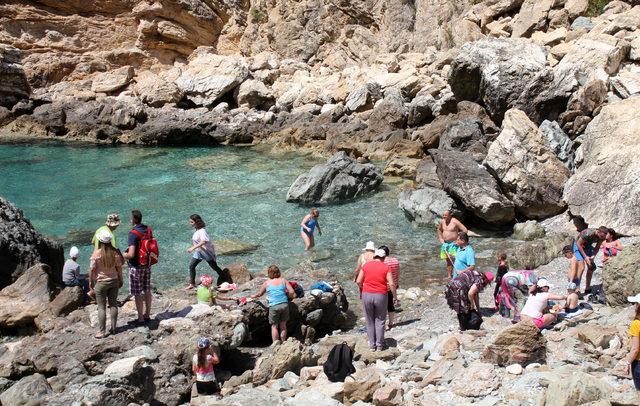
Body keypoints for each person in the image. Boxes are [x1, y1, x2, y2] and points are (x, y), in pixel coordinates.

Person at [356, 249, 397, 351]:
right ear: (383, 258)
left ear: (375, 257)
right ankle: (379, 345)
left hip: (367, 294)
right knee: (380, 320)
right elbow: (391, 284)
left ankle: (372, 345)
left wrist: (364, 287)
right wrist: (395, 296)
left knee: (369, 320)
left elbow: (358, 281)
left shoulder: (365, 266)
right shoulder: (386, 267)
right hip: (381, 295)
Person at [89, 229, 123, 339]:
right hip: (114, 281)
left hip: (101, 283)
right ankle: (113, 328)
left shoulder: (96, 254)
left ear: (100, 241)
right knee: (113, 305)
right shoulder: (115, 253)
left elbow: (92, 270)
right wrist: (121, 279)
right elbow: (119, 268)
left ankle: (102, 332)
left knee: (101, 307)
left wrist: (91, 282)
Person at [251, 265, 295, 344]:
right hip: (284, 304)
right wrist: (288, 296)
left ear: (269, 273)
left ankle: (275, 344)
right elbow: (292, 292)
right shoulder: (283, 280)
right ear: (278, 272)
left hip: (274, 306)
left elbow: (260, 294)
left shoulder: (267, 283)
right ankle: (283, 342)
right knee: (283, 325)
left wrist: (254, 296)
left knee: (274, 326)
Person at [123, 210, 152, 325]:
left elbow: (131, 254)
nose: (130, 220)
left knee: (137, 293)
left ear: (134, 219)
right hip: (147, 265)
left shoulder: (133, 234)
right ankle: (148, 315)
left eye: (130, 218)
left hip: (136, 267)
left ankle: (140, 318)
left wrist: (122, 255)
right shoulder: (148, 229)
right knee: (147, 290)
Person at [186, 214, 227, 290]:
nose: (190, 223)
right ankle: (192, 284)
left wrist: (192, 248)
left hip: (206, 252)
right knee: (191, 266)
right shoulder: (197, 229)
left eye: (191, 222)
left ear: (196, 222)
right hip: (199, 252)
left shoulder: (202, 231)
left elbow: (203, 241)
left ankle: (225, 277)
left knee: (214, 267)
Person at [571, 226, 608, 294]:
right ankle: (577, 288)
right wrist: (585, 257)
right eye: (601, 236)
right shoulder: (588, 233)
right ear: (598, 232)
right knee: (581, 268)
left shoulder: (602, 236)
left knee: (591, 267)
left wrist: (593, 256)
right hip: (578, 246)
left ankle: (587, 287)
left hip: (587, 247)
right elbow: (579, 244)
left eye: (603, 237)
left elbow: (597, 247)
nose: (602, 238)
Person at [437, 211, 468, 278]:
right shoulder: (442, 221)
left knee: (456, 260)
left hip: (454, 244)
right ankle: (449, 276)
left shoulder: (455, 221)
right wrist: (440, 238)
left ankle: (458, 275)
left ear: (450, 215)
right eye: (443, 215)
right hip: (445, 244)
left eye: (445, 215)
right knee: (448, 261)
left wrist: (458, 240)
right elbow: (439, 230)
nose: (444, 216)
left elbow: (465, 230)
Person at [624, 293, 640, 404]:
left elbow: (635, 349)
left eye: (635, 303)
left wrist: (628, 362)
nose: (634, 305)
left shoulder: (636, 324)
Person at [380, 245, 400, 330]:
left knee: (382, 307)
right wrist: (396, 283)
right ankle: (391, 323)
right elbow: (398, 273)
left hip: (383, 286)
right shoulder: (395, 260)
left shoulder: (382, 262)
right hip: (393, 286)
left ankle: (383, 325)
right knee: (390, 305)